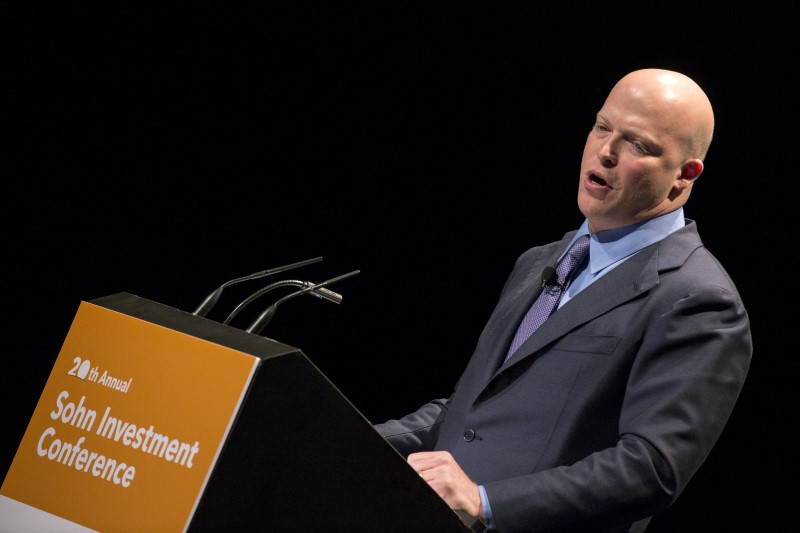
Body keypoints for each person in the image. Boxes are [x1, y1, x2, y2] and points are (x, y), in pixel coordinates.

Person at [374, 68, 752, 532]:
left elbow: (652, 468)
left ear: (683, 176)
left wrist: (486, 502)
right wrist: (344, 436)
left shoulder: (697, 298)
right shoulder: (538, 262)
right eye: (602, 126)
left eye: (638, 144)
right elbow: (466, 412)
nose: (606, 152)